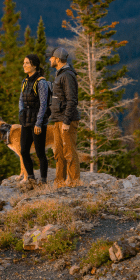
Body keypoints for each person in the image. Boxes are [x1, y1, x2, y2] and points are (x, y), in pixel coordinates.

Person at [49, 47, 81, 188]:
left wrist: (66, 122)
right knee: (59, 152)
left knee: (69, 152)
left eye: (51, 57)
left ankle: (74, 183)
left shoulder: (67, 75)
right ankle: (59, 183)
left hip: (66, 120)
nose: (50, 59)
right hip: (57, 119)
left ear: (57, 59)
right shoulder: (60, 74)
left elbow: (72, 100)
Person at [19, 53, 50, 188]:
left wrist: (39, 123)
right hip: (26, 120)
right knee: (24, 151)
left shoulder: (41, 82)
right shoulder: (25, 81)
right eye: (24, 63)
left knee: (40, 152)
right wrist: (21, 112)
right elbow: (21, 99)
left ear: (34, 65)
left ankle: (43, 181)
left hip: (38, 122)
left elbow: (43, 103)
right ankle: (31, 179)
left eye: (27, 63)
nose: (24, 65)